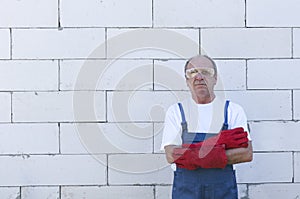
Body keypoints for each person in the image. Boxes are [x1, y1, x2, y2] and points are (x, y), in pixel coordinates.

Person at [161, 55, 253, 199]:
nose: (198, 77)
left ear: (215, 78)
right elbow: (171, 155)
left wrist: (191, 154)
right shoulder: (176, 112)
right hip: (186, 192)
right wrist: (219, 147)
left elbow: (246, 153)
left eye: (206, 72)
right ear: (186, 80)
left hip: (223, 192)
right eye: (192, 72)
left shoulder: (232, 111)